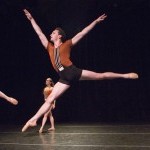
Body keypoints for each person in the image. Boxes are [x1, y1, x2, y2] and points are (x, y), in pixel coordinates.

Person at [22, 9, 138, 132]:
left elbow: (83, 33)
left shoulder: (67, 44)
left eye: (53, 32)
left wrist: (95, 22)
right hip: (63, 78)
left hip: (72, 72)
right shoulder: (49, 47)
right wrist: (31, 19)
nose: (50, 34)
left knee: (100, 76)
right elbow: (39, 33)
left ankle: (125, 75)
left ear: (59, 35)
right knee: (50, 99)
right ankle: (34, 119)